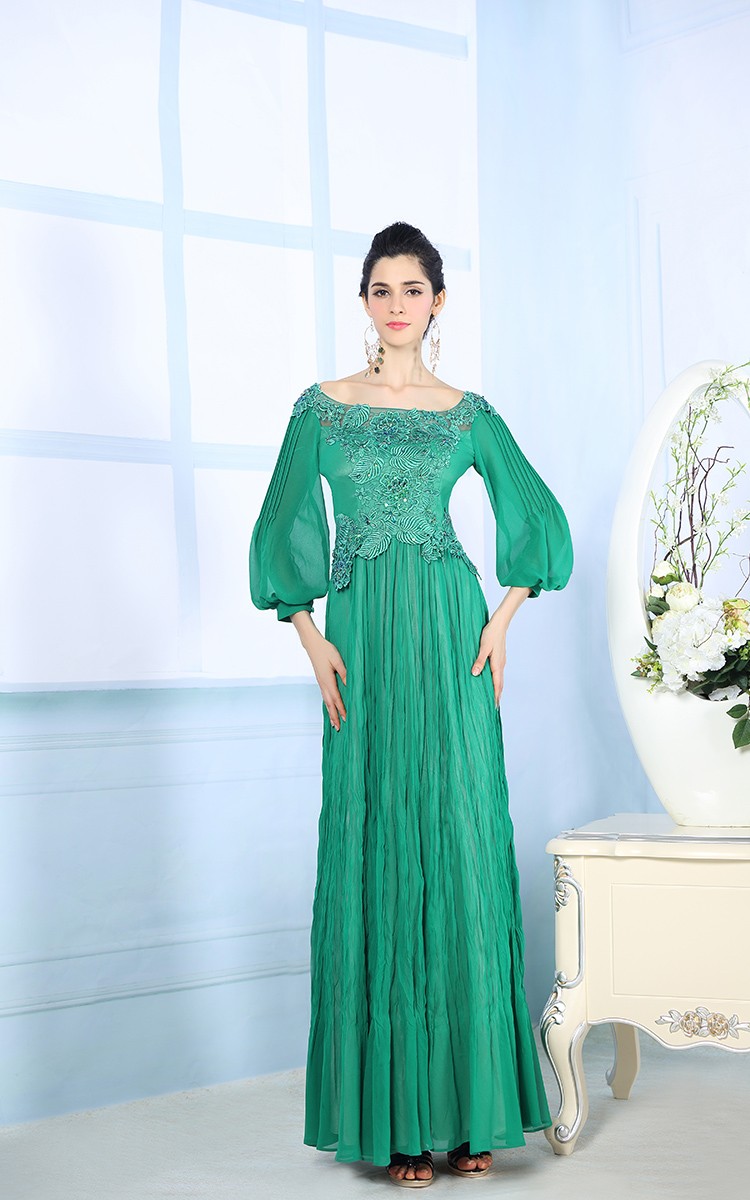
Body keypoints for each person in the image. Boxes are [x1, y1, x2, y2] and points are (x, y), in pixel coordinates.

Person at [249, 221, 574, 1187]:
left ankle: (472, 1113)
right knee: (377, 839)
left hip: (448, 635)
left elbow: (539, 520)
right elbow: (281, 525)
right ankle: (393, 1122)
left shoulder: (465, 412)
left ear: (438, 301)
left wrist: (503, 618)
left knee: (460, 843)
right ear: (364, 302)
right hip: (361, 644)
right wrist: (308, 634)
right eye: (382, 290)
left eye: (413, 289)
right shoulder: (322, 407)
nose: (397, 306)